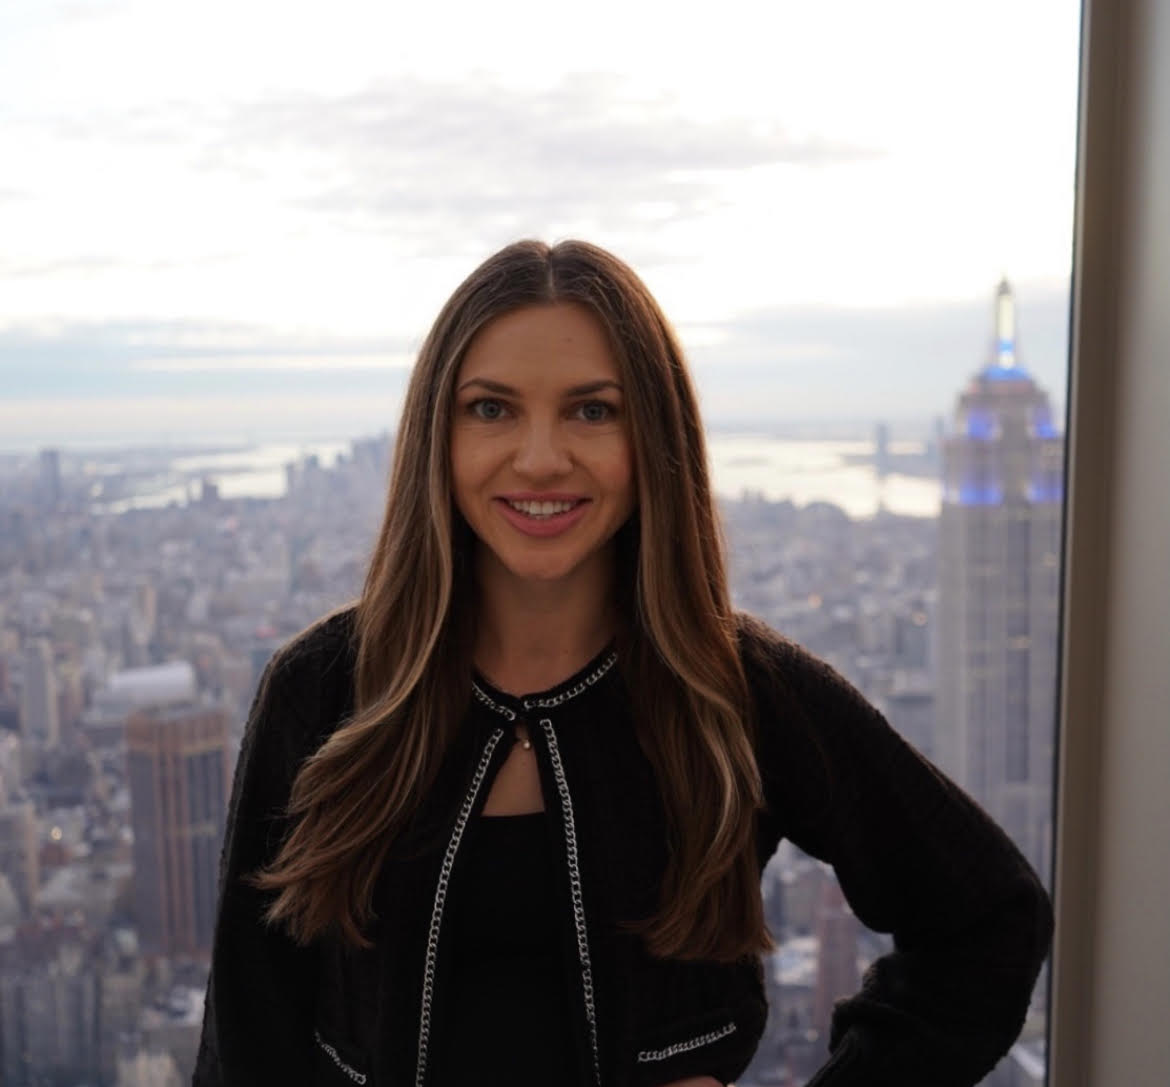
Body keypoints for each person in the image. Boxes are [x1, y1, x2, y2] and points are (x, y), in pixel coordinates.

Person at [194, 239, 1053, 1087]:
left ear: (654, 436)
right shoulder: (325, 689)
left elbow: (989, 918)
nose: (538, 456)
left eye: (592, 410)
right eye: (491, 408)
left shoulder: (735, 691)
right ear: (436, 435)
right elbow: (247, 1038)